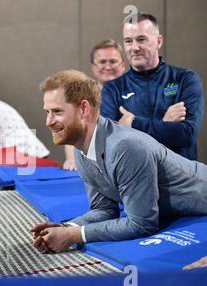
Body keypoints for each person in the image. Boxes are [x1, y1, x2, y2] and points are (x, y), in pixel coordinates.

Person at [31, 70, 207, 253]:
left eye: (57, 111)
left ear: (83, 109)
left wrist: (73, 235)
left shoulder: (126, 146)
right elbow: (104, 210)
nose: (48, 121)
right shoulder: (80, 148)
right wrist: (66, 228)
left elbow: (142, 225)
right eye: (47, 112)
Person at [101, 13, 204, 161]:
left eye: (141, 39)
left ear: (158, 41)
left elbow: (187, 134)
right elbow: (109, 142)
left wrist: (133, 123)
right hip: (135, 178)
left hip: (181, 178)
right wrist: (164, 124)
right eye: (128, 41)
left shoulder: (185, 79)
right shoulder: (113, 89)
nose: (135, 47)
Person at [63, 39, 126, 171]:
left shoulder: (136, 95)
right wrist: (72, 160)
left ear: (123, 65)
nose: (108, 67)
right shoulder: (81, 97)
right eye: (102, 62)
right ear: (93, 66)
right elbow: (71, 131)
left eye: (113, 61)